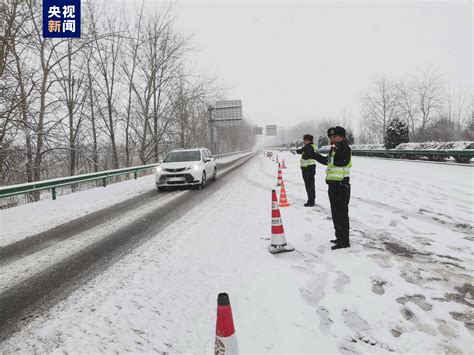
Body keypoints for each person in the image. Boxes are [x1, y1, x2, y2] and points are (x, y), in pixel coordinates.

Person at [311, 126, 352, 250]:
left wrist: (338, 147)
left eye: (335, 137)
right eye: (331, 137)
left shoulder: (345, 148)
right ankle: (339, 237)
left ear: (342, 137)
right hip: (333, 186)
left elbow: (342, 161)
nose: (332, 139)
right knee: (335, 213)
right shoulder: (334, 149)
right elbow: (328, 161)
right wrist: (314, 155)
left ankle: (344, 241)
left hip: (341, 186)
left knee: (342, 214)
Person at [296, 134, 318, 207]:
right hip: (310, 167)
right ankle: (311, 200)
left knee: (309, 186)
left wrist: (303, 154)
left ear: (308, 140)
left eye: (305, 140)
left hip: (307, 168)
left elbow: (305, 154)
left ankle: (311, 202)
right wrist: (299, 151)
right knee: (310, 185)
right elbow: (301, 151)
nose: (304, 141)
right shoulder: (311, 146)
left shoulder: (308, 147)